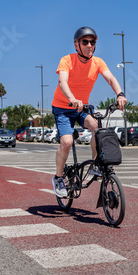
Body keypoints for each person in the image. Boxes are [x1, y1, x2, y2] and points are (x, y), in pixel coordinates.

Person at [51, 26, 127, 198]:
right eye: (85, 42)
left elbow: (110, 78)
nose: (89, 45)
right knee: (67, 142)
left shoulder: (98, 62)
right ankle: (58, 178)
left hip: (81, 108)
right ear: (76, 45)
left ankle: (95, 165)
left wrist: (120, 94)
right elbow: (62, 81)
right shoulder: (67, 60)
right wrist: (72, 98)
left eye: (92, 42)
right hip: (63, 108)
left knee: (96, 127)